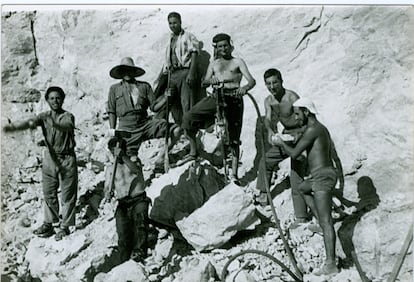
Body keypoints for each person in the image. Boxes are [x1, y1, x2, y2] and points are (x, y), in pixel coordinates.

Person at [273, 97, 339, 275]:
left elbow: (295, 154)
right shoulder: (317, 128)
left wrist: (281, 143)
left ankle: (331, 264)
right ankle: (321, 223)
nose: (295, 118)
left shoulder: (313, 130)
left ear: (306, 112)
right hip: (320, 175)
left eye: (297, 113)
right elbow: (302, 137)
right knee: (302, 188)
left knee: (327, 222)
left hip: (322, 177)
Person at [3, 86, 78, 241]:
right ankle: (50, 222)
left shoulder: (68, 116)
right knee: (48, 192)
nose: (55, 101)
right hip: (50, 158)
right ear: (47, 101)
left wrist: (52, 123)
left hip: (67, 159)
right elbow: (31, 122)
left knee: (68, 194)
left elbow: (66, 128)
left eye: (58, 98)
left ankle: (65, 227)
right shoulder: (44, 116)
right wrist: (15, 127)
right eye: (51, 98)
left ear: (62, 99)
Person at [181, 33, 256, 182]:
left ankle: (234, 175)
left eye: (225, 45)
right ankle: (194, 149)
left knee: (233, 138)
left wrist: (245, 88)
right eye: (220, 46)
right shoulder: (214, 64)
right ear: (217, 48)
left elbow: (252, 81)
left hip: (234, 98)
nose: (223, 49)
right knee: (188, 117)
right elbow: (204, 82)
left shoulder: (237, 62)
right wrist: (210, 81)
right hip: (216, 98)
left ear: (230, 45)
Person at [256, 69, 309, 227]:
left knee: (296, 176)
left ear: (281, 81)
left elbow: (305, 119)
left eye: (275, 82)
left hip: (299, 135)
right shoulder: (269, 100)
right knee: (266, 161)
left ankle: (301, 217)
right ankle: (264, 193)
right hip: (285, 136)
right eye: (268, 84)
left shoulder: (292, 97)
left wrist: (300, 138)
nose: (272, 87)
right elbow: (268, 119)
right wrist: (271, 131)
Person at [106, 57, 181, 168]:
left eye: (130, 70)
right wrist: (113, 130)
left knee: (177, 130)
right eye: (124, 70)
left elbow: (154, 107)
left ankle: (162, 158)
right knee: (130, 161)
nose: (127, 73)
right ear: (121, 72)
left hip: (145, 124)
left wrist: (165, 98)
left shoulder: (144, 87)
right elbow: (111, 111)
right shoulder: (114, 89)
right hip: (127, 129)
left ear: (134, 71)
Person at [104, 137, 150, 263]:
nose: (116, 154)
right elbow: (107, 187)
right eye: (114, 152)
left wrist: (124, 157)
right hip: (123, 203)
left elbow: (136, 170)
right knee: (123, 232)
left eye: (118, 151)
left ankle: (140, 253)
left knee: (140, 223)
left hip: (138, 199)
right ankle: (124, 259)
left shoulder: (133, 160)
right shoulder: (110, 169)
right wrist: (107, 192)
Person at [161, 11, 200, 125]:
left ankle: (190, 127)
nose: (173, 25)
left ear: (180, 22)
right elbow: (168, 58)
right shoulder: (170, 39)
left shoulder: (188, 36)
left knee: (186, 102)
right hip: (172, 74)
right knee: (171, 100)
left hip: (184, 72)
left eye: (175, 23)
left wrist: (191, 73)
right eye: (170, 23)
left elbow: (194, 53)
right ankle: (179, 126)